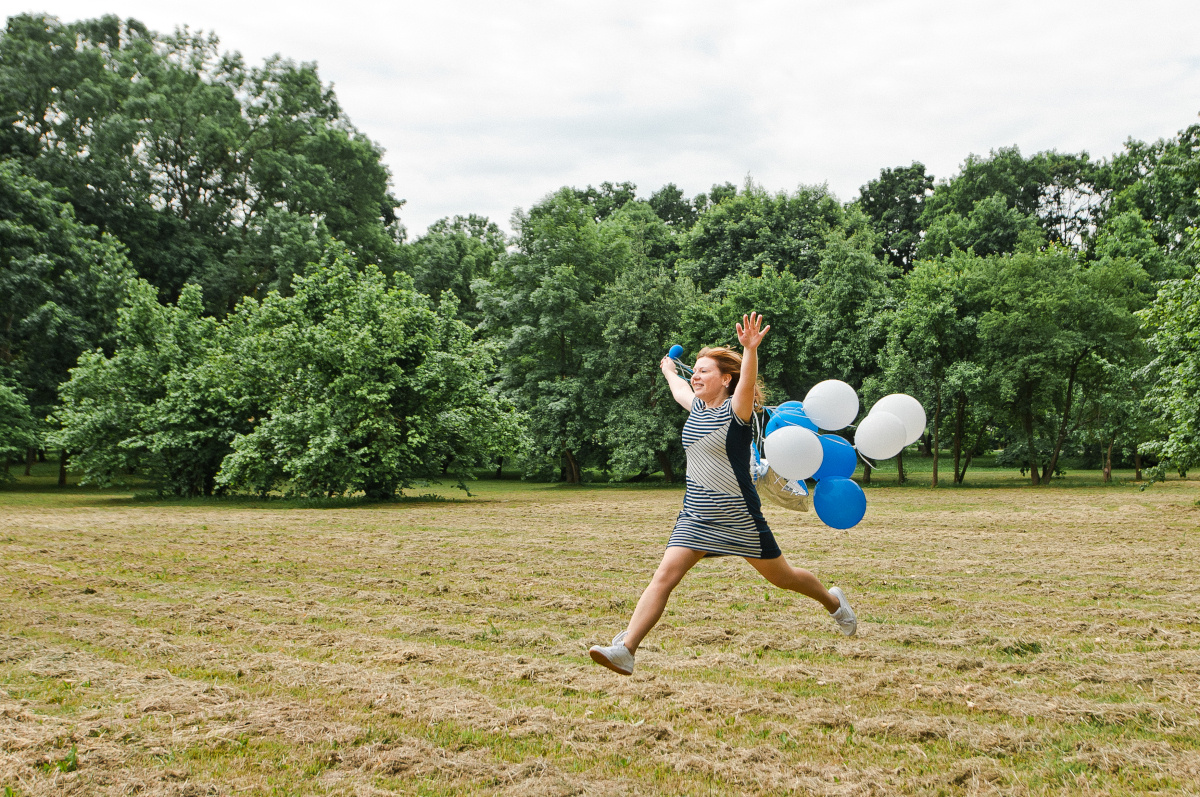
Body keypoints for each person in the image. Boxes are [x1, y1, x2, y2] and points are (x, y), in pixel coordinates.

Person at [589, 312, 856, 676]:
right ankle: (626, 649)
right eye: (694, 370)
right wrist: (669, 367)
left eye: (704, 371)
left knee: (785, 578)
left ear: (725, 379)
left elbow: (747, 382)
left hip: (739, 519)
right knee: (663, 577)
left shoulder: (736, 412)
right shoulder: (696, 408)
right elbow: (677, 386)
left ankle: (833, 603)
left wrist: (750, 349)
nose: (695, 376)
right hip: (695, 517)